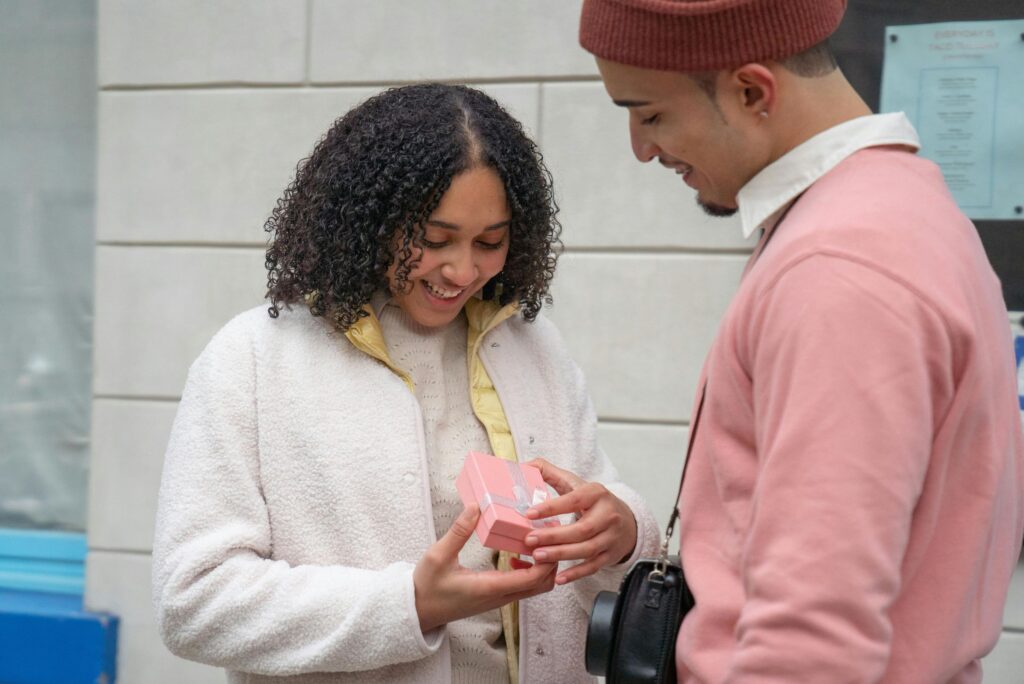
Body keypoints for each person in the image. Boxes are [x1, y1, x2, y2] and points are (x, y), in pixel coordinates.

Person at [531, 1, 1024, 681]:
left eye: (649, 113)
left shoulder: (841, 268)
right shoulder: (902, 211)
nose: (641, 149)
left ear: (752, 90)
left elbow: (812, 642)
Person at [151, 83, 660, 684]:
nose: (462, 270)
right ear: (368, 220)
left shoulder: (533, 347)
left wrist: (624, 533)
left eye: (490, 242)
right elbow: (194, 604)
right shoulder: (254, 359)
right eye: (435, 240)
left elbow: (599, 532)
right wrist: (410, 605)